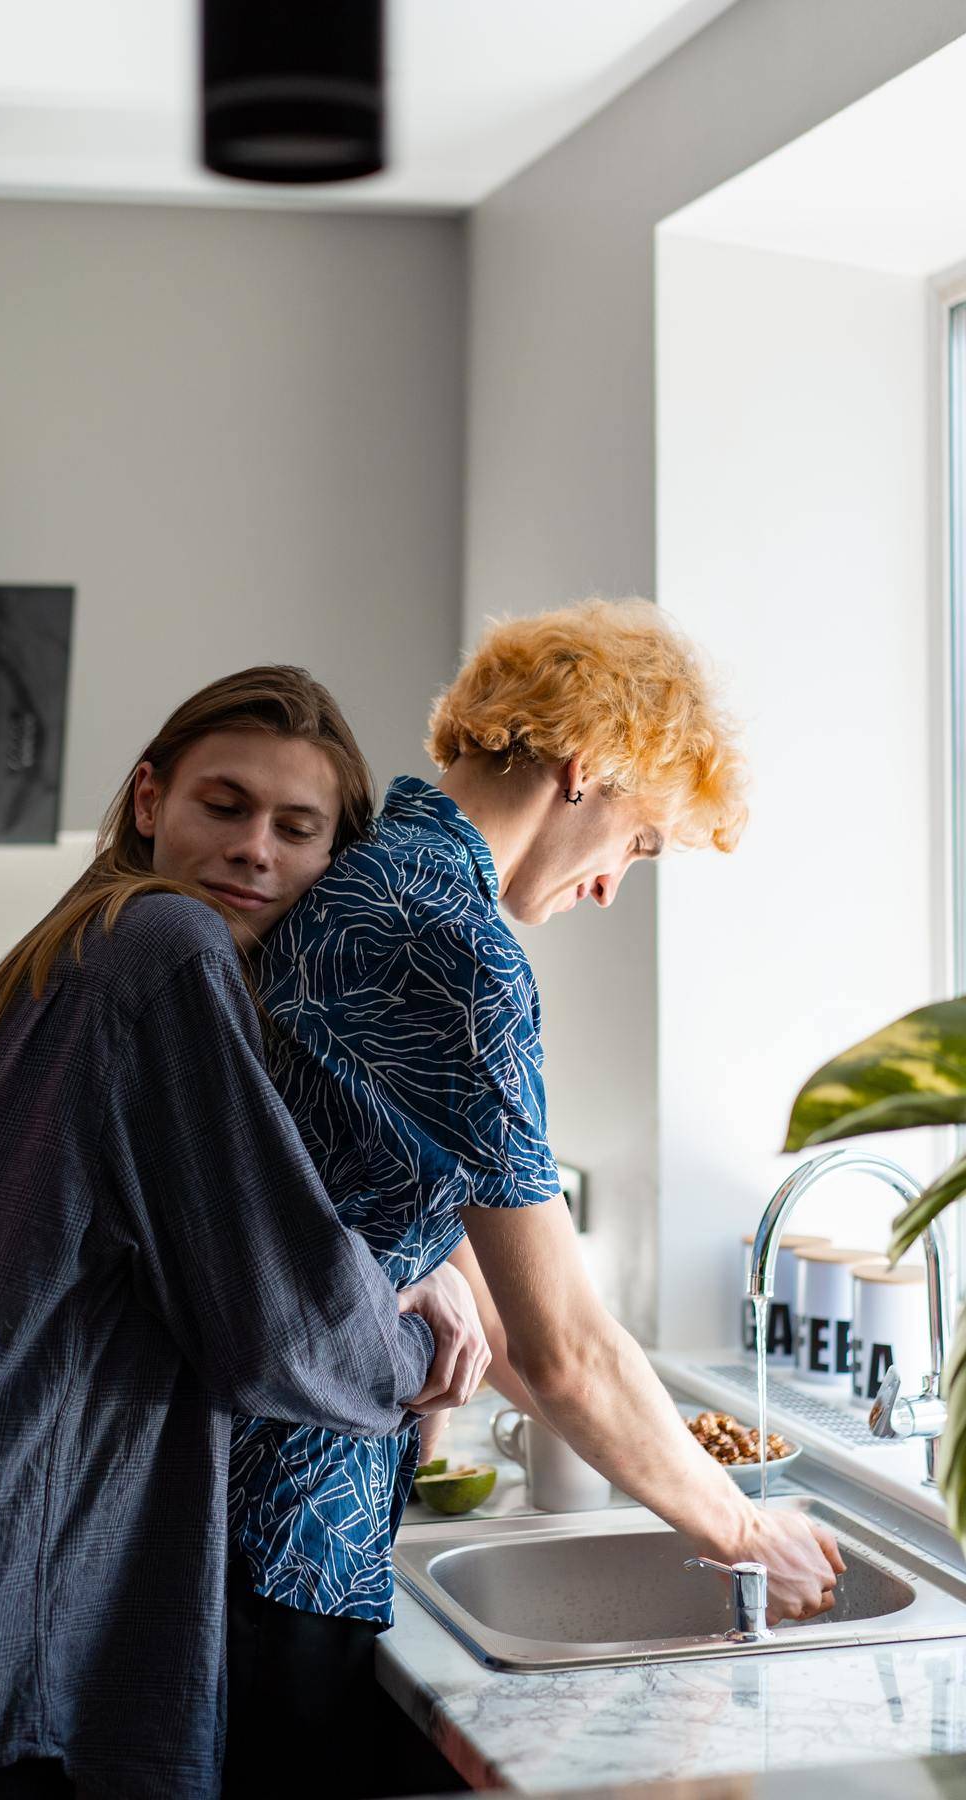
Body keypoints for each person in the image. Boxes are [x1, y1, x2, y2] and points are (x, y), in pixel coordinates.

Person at [0, 668, 489, 1800]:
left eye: (296, 829)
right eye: (226, 805)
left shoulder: (79, 943)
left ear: (330, 858)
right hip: (14, 1573)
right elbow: (278, 1324)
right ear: (152, 798)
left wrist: (426, 1259)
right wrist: (412, 1353)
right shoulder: (166, 947)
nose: (256, 849)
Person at [222, 600, 846, 1799]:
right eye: (641, 843)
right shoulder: (460, 947)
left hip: (244, 1501)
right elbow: (563, 1351)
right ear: (588, 768)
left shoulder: (364, 871)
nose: (614, 888)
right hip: (288, 1517)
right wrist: (739, 1525)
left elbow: (500, 1322)